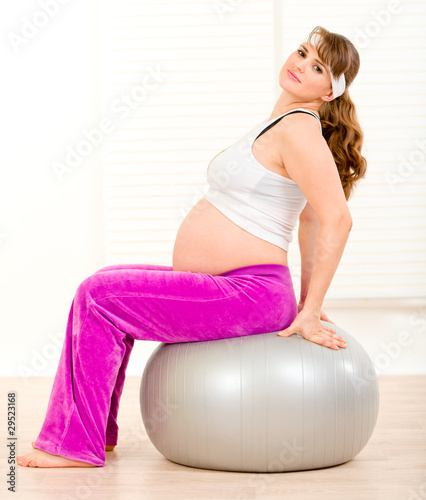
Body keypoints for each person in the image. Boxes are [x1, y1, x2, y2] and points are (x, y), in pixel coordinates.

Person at [17, 25, 367, 468]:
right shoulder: (282, 123)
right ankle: (95, 433)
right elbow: (310, 218)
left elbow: (335, 218)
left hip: (248, 294)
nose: (300, 65)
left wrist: (311, 308)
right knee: (103, 285)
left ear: (329, 92)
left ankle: (74, 446)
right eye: (302, 52)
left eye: (317, 67)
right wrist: (302, 299)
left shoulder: (299, 129)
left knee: (98, 297)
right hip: (236, 287)